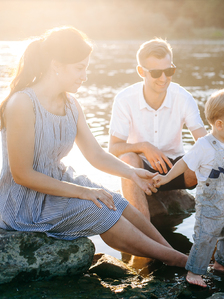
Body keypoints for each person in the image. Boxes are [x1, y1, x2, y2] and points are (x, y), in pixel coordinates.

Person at [0, 26, 188, 269]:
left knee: (118, 203)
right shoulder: (22, 104)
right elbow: (22, 174)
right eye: (80, 68)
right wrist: (82, 192)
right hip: (26, 202)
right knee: (101, 212)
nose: (85, 76)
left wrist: (131, 173)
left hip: (58, 182)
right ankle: (177, 260)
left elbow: (95, 153)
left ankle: (170, 253)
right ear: (56, 64)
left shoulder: (71, 104)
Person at [153, 69, 224, 287]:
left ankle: (220, 264)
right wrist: (166, 179)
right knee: (205, 237)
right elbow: (184, 163)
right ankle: (194, 272)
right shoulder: (205, 145)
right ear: (219, 124)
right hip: (211, 204)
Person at [108, 38, 207, 221]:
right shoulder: (124, 99)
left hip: (176, 170)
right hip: (141, 171)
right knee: (127, 158)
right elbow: (113, 149)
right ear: (141, 72)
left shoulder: (183, 97)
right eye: (155, 73)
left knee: (207, 158)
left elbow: (203, 140)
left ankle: (211, 233)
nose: (163, 79)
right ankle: (144, 237)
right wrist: (144, 146)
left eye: (169, 71)